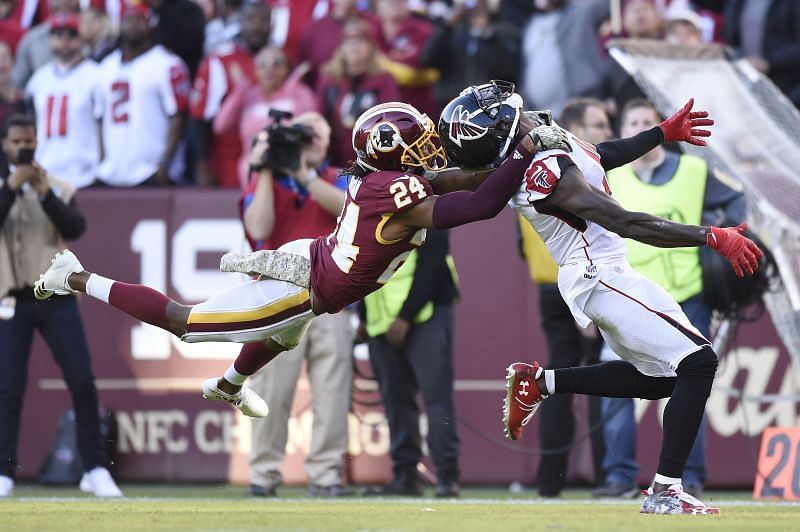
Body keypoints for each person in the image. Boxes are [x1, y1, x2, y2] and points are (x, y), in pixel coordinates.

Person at [33, 99, 566, 442]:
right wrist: (521, 158)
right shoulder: (394, 192)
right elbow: (475, 206)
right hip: (308, 282)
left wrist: (506, 155)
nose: (427, 150)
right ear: (390, 153)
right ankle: (76, 276)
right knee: (186, 324)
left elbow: (454, 181)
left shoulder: (384, 181)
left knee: (281, 338)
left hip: (313, 258)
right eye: (417, 143)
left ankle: (229, 384)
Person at [437, 81, 762, 515]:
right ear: (507, 128)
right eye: (512, 110)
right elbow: (625, 222)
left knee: (669, 378)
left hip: (608, 271)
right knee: (699, 362)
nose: (523, 108)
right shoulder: (544, 173)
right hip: (598, 275)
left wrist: (661, 133)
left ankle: (542, 383)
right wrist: (709, 236)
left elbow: (599, 156)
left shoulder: (546, 147)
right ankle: (666, 492)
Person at [593, 98, 746, 499]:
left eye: (650, 121)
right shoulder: (609, 175)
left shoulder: (695, 170)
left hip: (685, 296)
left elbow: (737, 200)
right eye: (636, 121)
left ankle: (686, 476)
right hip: (626, 296)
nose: (644, 127)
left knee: (689, 386)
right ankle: (619, 476)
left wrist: (721, 228)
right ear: (625, 131)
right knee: (618, 393)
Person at [0, 114, 121, 498]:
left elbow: (73, 228)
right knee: (8, 387)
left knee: (81, 379)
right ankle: (3, 472)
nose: (23, 148)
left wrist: (41, 192)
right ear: (5, 145)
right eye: (17, 141)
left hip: (55, 295)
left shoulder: (55, 186)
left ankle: (95, 468)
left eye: (29, 140)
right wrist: (11, 187)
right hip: (11, 297)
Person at [242, 112, 356, 498]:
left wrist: (305, 174)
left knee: (333, 388)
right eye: (302, 135)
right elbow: (257, 228)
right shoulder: (266, 179)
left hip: (329, 295)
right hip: (279, 295)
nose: (309, 142)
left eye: (316, 135)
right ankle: (263, 473)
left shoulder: (338, 176)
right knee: (273, 387)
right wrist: (264, 169)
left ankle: (326, 474)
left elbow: (348, 211)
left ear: (327, 142)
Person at [522, 98, 612, 497]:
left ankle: (550, 479)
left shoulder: (527, 170)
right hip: (581, 283)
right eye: (597, 125)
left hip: (551, 285)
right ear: (574, 128)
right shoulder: (570, 170)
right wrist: (584, 302)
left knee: (558, 377)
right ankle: (608, 475)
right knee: (600, 377)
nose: (606, 133)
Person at [362, 228, 460, 498]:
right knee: (396, 403)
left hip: (425, 312)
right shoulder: (365, 200)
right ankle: (405, 477)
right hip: (380, 318)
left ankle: (447, 476)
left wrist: (406, 315)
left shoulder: (424, 190)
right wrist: (361, 315)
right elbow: (360, 260)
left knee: (437, 401)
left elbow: (433, 259)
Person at [95, 3, 190, 187]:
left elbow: (179, 117)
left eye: (139, 19)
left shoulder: (167, 64)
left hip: (150, 171)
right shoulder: (106, 66)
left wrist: (164, 164)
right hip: (111, 172)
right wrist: (102, 161)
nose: (133, 25)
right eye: (128, 20)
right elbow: (100, 118)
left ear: (150, 25)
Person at [190, 0, 271, 187]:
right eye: (251, 20)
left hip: (273, 165)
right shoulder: (220, 62)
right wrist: (202, 164)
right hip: (228, 165)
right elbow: (200, 117)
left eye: (263, 20)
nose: (257, 26)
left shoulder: (280, 61)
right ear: (239, 23)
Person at [212, 46, 318, 189]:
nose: (270, 69)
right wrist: (240, 90)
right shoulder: (249, 95)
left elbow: (312, 127)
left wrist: (292, 86)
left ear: (287, 68)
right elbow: (220, 126)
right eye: (263, 64)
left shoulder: (298, 93)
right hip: (252, 178)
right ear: (255, 70)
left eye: (277, 64)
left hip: (290, 179)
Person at [25, 13, 101, 189]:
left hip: (85, 174)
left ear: (81, 38)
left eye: (71, 35)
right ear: (49, 39)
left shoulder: (96, 75)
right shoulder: (39, 79)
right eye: (58, 35)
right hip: (47, 172)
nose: (65, 41)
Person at [316, 18, 400, 167]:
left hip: (373, 163)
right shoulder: (329, 79)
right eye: (349, 41)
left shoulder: (384, 80)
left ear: (372, 47)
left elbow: (391, 120)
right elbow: (319, 120)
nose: (354, 45)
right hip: (334, 165)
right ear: (340, 48)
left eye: (360, 40)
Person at [723, 0, 800, 107]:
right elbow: (732, 39)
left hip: (785, 87)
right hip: (746, 82)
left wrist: (768, 62)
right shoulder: (739, 3)